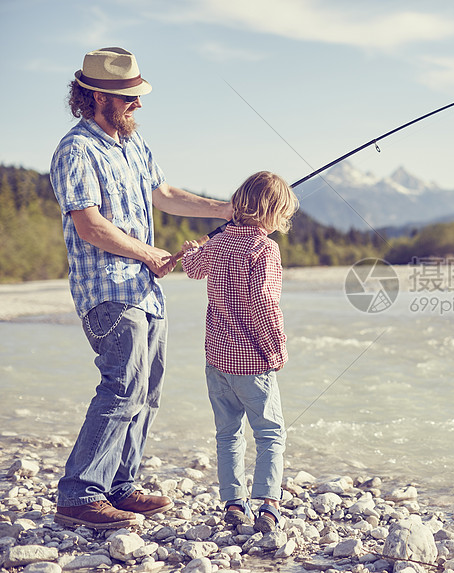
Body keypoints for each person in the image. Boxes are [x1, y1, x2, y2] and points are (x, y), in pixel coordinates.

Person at [50, 47, 233, 529]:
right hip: (106, 289)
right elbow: (89, 225)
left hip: (145, 291)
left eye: (137, 95)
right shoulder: (76, 150)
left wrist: (225, 209)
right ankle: (79, 494)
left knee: (147, 390)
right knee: (122, 385)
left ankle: (119, 485)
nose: (137, 104)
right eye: (127, 97)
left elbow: (166, 195)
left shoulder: (135, 146)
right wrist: (149, 253)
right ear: (94, 96)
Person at [180, 171, 298, 532]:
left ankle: (233, 502)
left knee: (227, 432)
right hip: (251, 362)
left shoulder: (217, 245)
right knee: (270, 433)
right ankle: (268, 505)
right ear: (273, 214)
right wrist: (276, 350)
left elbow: (193, 269)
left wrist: (191, 252)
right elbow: (264, 304)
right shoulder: (265, 249)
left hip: (216, 360)